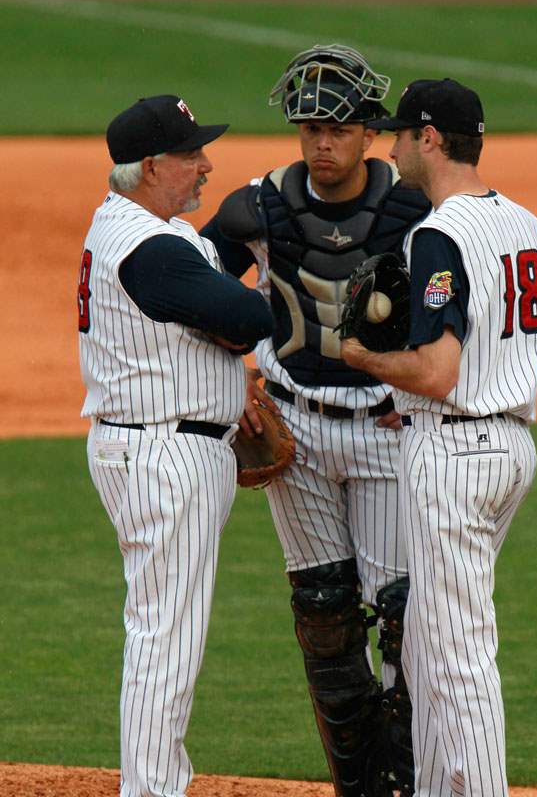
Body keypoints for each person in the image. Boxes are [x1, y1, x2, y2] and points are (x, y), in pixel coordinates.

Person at [200, 45, 430, 796]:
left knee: (401, 618)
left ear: (368, 130)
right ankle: (358, 787)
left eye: (336, 129)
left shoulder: (415, 210)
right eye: (309, 128)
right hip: (296, 432)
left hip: (385, 431)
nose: (321, 144)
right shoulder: (256, 207)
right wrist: (230, 382)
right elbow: (194, 290)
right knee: (325, 616)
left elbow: (460, 312)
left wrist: (423, 396)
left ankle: (409, 781)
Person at [342, 78, 537, 797]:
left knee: (458, 656)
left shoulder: (439, 233)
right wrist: (410, 396)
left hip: (456, 455)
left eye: (402, 134)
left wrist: (365, 361)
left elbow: (436, 371)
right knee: (430, 642)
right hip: (507, 444)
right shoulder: (524, 222)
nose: (392, 146)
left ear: (431, 139)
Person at [78, 94, 273, 797]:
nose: (206, 164)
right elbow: (247, 315)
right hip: (164, 457)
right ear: (153, 165)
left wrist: (223, 238)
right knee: (166, 637)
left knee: (164, 631)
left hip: (155, 448)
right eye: (192, 155)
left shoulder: (143, 227)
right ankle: (152, 790)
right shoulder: (149, 246)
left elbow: (205, 286)